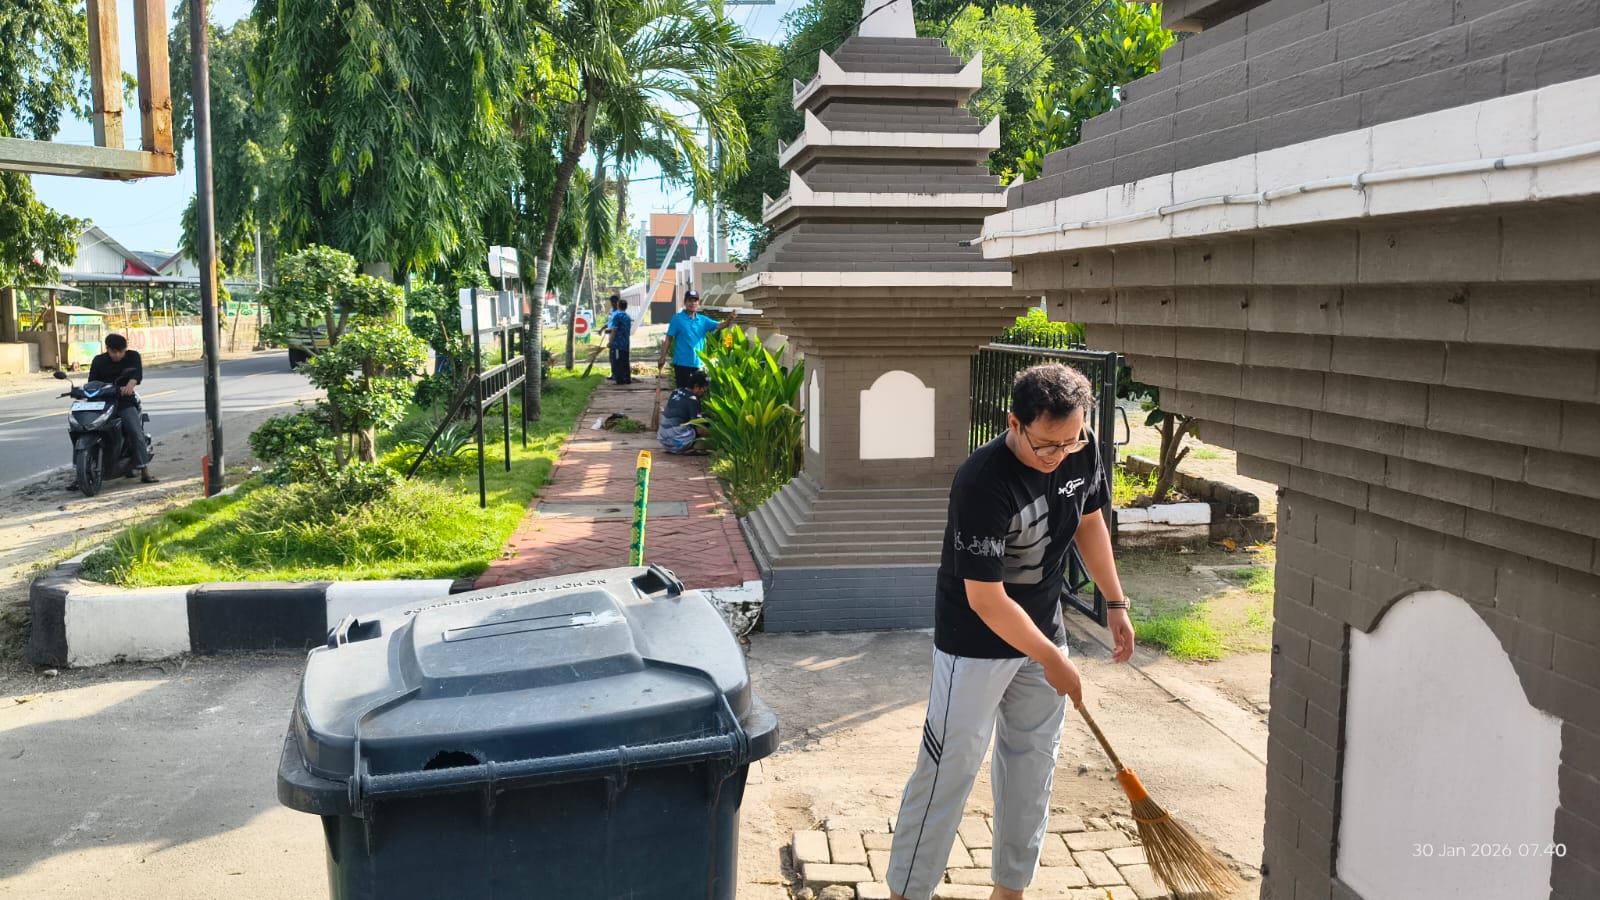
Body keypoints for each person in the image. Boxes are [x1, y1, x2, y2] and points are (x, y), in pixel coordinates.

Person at [885, 364, 1135, 900]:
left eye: (1071, 440)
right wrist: (1053, 658)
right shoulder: (982, 481)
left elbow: (1090, 519)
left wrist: (1113, 600)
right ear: (1014, 423)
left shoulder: (1080, 447)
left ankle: (1011, 889)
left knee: (1032, 764)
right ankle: (908, 891)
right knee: (948, 768)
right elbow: (986, 599)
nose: (1060, 454)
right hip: (974, 642)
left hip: (1043, 627)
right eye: (1047, 445)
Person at [86, 333, 158, 484]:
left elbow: (136, 374)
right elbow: (92, 382)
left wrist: (130, 385)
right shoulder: (99, 361)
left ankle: (144, 469)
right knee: (85, 428)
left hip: (124, 400)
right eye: (114, 352)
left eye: (121, 351)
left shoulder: (132, 357)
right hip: (102, 401)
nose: (118, 355)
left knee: (135, 430)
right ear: (107, 349)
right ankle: (81, 471)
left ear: (125, 349)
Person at [657, 290, 728, 388]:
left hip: (698, 364)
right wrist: (662, 357)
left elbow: (720, 325)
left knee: (697, 394)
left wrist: (730, 320)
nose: (693, 303)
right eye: (690, 300)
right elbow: (668, 339)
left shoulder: (703, 320)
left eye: (695, 300)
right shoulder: (677, 319)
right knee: (684, 393)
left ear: (698, 303)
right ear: (685, 302)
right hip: (682, 364)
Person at [656, 370, 711, 456]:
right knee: (702, 428)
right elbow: (699, 429)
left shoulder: (676, 391)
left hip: (664, 440)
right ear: (696, 386)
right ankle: (691, 447)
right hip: (677, 443)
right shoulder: (693, 400)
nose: (705, 392)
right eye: (704, 389)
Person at [602, 294, 633, 384]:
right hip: (626, 343)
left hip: (618, 344)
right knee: (625, 361)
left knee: (617, 360)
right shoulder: (627, 317)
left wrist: (610, 342)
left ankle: (619, 379)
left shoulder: (617, 316)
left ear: (618, 305)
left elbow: (615, 330)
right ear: (626, 307)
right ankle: (627, 378)